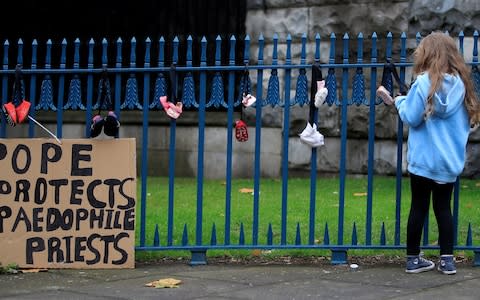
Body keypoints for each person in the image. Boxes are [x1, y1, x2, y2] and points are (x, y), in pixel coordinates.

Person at [377, 31, 480, 275]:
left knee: (419, 207)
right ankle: (447, 260)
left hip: (423, 161)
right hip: (448, 162)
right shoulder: (463, 85)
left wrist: (399, 101)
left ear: (426, 54)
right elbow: (469, 122)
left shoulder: (423, 82)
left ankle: (413, 259)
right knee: (444, 209)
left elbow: (412, 117)